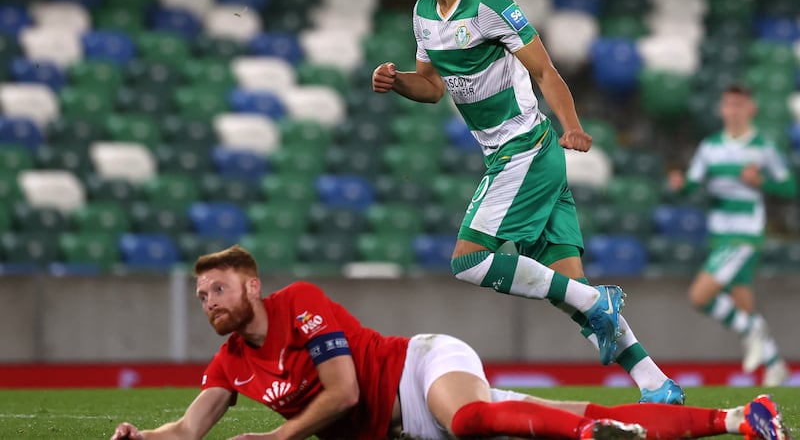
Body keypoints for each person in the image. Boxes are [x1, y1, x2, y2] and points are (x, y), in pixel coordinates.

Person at [371, 0, 683, 404]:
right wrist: (398, 83)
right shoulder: (423, 15)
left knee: (470, 261)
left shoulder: (492, 5)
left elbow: (545, 71)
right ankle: (657, 384)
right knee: (576, 296)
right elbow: (431, 87)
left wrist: (573, 126)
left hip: (526, 150)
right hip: (522, 160)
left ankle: (596, 300)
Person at [110, 245, 790, 440]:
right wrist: (147, 437)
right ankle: (737, 418)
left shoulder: (301, 304)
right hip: (411, 425)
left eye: (219, 291)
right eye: (203, 297)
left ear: (252, 286)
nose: (210, 305)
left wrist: (279, 439)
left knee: (469, 420)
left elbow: (345, 395)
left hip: (421, 365)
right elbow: (190, 429)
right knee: (571, 415)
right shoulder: (230, 363)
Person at [667, 82, 797, 387]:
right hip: (720, 234)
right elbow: (693, 184)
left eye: (740, 105)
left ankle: (753, 331)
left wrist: (761, 180)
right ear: (721, 109)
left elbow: (790, 187)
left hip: (744, 234)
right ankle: (776, 365)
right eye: (729, 105)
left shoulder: (763, 147)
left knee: (699, 296)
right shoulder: (710, 146)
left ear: (751, 109)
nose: (734, 111)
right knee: (743, 306)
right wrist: (680, 185)